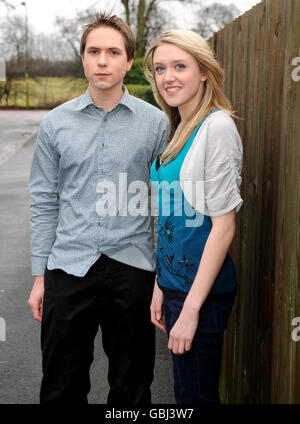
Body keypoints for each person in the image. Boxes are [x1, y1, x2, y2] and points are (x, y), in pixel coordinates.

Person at [28, 12, 169, 405]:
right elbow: (43, 201)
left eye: (113, 52)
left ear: (128, 61)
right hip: (68, 267)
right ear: (83, 59)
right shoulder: (55, 124)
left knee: (132, 386)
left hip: (133, 267)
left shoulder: (156, 124)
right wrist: (39, 276)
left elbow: (162, 205)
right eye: (94, 51)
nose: (103, 60)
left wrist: (160, 275)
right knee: (61, 386)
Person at [144, 30, 243, 404]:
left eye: (179, 66)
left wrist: (190, 310)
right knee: (184, 391)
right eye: (160, 69)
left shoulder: (216, 127)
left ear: (204, 71)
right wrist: (160, 283)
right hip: (174, 286)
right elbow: (172, 218)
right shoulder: (179, 126)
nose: (168, 77)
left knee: (197, 397)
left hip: (202, 294)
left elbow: (224, 226)